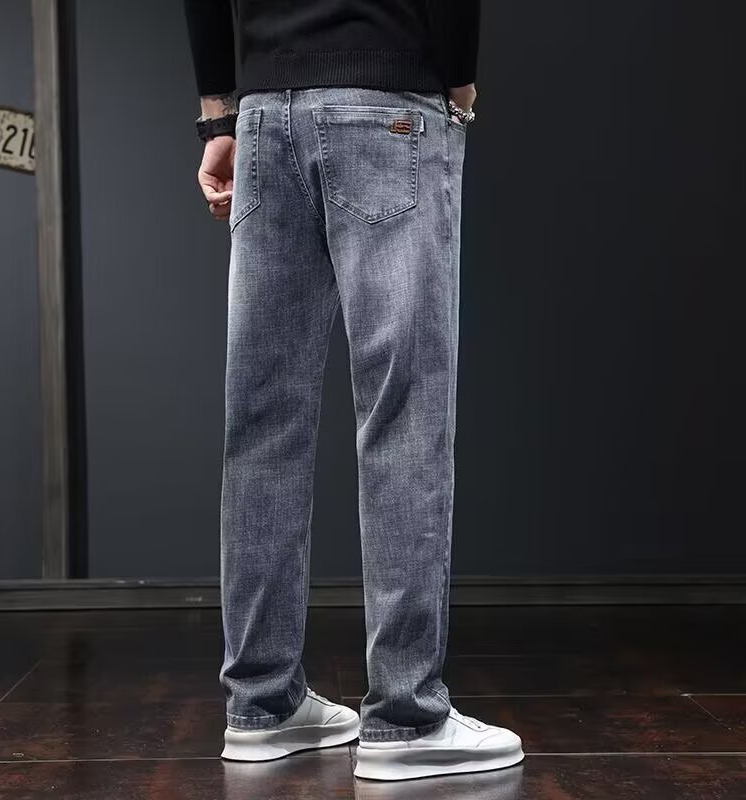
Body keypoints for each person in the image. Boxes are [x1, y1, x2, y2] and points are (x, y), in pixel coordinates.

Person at [183, 0, 524, 781]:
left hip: (264, 112)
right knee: (403, 411)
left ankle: (261, 704)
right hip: (388, 97)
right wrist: (458, 83)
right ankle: (407, 716)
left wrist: (219, 116)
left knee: (263, 422)